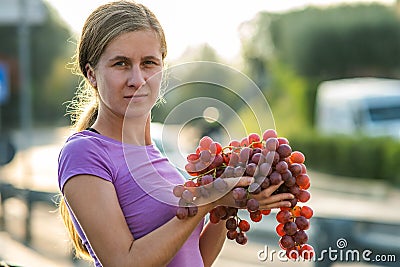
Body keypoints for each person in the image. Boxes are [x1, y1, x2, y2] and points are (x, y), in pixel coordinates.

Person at [57, 1, 295, 266]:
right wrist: (207, 200)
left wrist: (229, 199)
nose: (137, 79)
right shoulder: (84, 152)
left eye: (148, 63)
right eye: (121, 64)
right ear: (91, 74)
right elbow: (123, 263)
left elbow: (195, 259)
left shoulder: (155, 154)